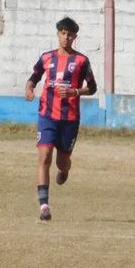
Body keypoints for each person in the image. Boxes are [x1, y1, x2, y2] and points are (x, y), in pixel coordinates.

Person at [25, 16, 97, 221]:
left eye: (70, 34)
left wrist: (75, 92)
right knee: (44, 156)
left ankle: (64, 170)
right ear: (58, 34)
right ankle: (44, 205)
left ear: (75, 37)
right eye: (62, 33)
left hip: (70, 118)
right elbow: (34, 78)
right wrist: (29, 89)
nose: (66, 37)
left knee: (62, 162)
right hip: (47, 115)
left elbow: (93, 88)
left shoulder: (81, 61)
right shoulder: (47, 58)